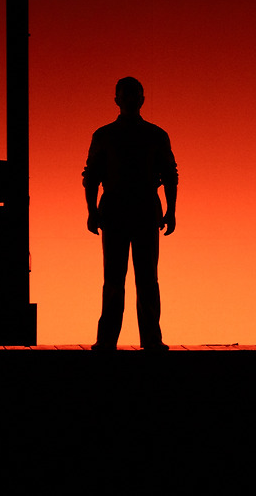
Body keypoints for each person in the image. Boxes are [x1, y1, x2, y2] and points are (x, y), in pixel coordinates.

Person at [83, 76, 178, 352]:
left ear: (142, 99)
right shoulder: (105, 135)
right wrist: (91, 211)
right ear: (117, 99)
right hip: (115, 209)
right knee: (115, 277)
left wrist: (171, 210)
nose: (130, 99)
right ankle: (108, 340)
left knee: (146, 277)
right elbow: (91, 176)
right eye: (126, 95)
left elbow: (170, 175)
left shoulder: (155, 135)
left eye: (135, 94)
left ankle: (150, 339)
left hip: (144, 209)